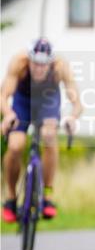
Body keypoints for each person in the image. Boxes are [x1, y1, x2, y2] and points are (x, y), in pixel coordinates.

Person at [1, 39, 81, 222]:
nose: (38, 69)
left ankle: (47, 196)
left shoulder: (61, 67)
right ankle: (11, 199)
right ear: (29, 60)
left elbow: (77, 102)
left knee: (49, 135)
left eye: (43, 65)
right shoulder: (18, 63)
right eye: (35, 63)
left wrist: (72, 118)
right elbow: (4, 96)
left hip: (47, 101)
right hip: (22, 101)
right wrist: (7, 114)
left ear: (51, 62)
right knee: (15, 146)